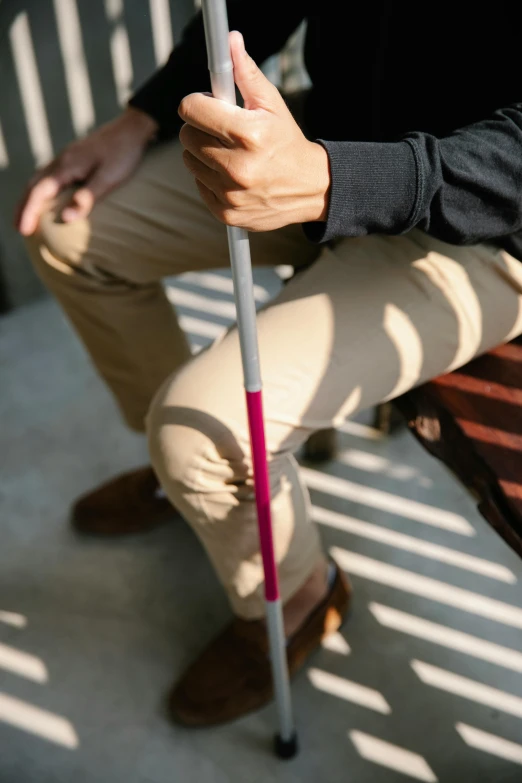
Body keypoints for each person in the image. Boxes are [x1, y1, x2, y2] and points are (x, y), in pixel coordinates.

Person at [16, 2, 522, 726]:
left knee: (204, 433)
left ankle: (300, 598)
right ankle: (191, 485)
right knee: (72, 233)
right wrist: (146, 115)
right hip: (334, 132)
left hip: (483, 227)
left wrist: (337, 181)